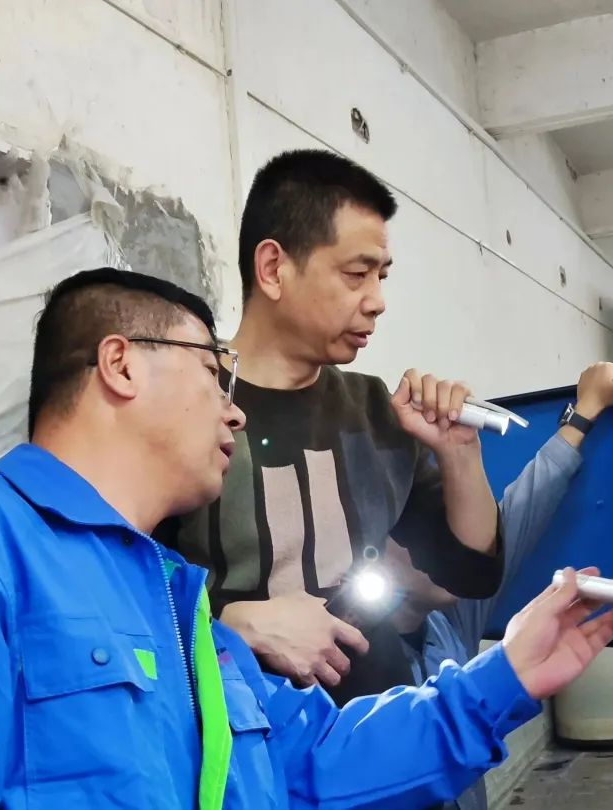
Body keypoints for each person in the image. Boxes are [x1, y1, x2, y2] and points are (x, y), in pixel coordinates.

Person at [0, 268, 613, 809]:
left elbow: (318, 757)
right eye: (212, 372)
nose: (233, 413)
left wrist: (505, 676)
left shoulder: (181, 609)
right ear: (121, 364)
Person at [168, 149, 504, 705]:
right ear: (273, 268)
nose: (377, 302)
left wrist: (459, 453)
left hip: (371, 718)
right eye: (356, 274)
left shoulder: (373, 411)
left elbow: (470, 574)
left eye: (382, 276)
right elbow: (119, 589)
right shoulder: (185, 401)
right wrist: (229, 623)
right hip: (233, 727)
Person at [383, 360, 613, 810]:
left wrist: (583, 414)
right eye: (426, 526)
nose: (455, 544)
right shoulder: (329, 658)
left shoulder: (450, 620)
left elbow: (523, 511)